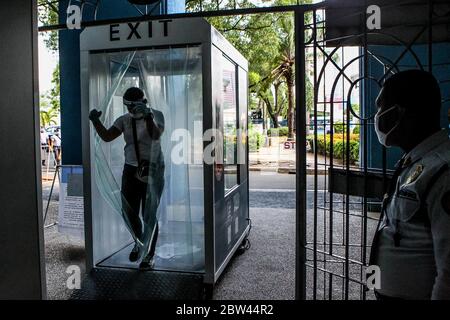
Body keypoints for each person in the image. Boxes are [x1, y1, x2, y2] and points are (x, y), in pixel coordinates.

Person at [370, 70, 450, 300]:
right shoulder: (415, 161)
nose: (377, 116)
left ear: (403, 113)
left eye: (381, 107)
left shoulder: (443, 171)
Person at [89, 87, 165, 270]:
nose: (132, 110)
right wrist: (95, 121)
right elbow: (107, 136)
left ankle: (148, 255)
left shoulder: (156, 115)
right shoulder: (124, 120)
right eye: (128, 107)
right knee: (129, 212)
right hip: (130, 170)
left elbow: (156, 135)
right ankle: (139, 243)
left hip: (153, 170)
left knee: (149, 213)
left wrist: (147, 116)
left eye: (135, 106)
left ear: (144, 102)